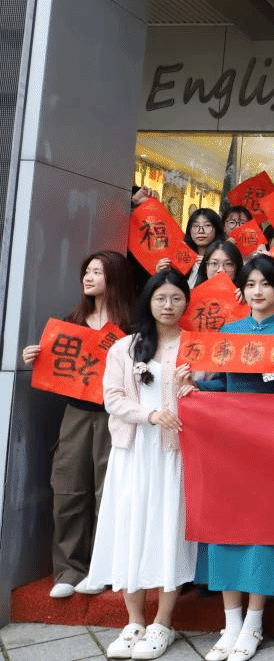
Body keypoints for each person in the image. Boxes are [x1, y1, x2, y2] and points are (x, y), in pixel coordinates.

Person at [81, 269, 198, 660]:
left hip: (173, 453)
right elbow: (112, 399)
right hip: (132, 452)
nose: (168, 305)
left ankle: (163, 623)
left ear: (186, 302)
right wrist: (149, 415)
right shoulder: (125, 348)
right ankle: (133, 621)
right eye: (161, 298)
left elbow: (208, 396)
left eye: (176, 298)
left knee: (169, 531)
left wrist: (190, 389)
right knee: (129, 528)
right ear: (148, 302)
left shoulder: (194, 346)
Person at [189, 256, 274, 661]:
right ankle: (230, 620)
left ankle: (254, 622)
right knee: (225, 526)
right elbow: (221, 383)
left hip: (272, 444)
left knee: (263, 531)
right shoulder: (230, 331)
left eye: (265, 284)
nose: (257, 291)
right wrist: (194, 387)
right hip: (230, 443)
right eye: (251, 284)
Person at [22, 250, 132, 599]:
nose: (89, 277)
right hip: (76, 413)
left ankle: (104, 568)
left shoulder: (130, 326)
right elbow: (56, 363)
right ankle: (69, 570)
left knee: (108, 492)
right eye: (87, 271)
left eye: (97, 272)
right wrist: (35, 356)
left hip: (116, 416)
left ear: (114, 278)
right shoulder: (72, 321)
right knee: (68, 488)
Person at [185, 208, 224, 281]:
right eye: (196, 226)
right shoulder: (184, 259)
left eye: (207, 225)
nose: (201, 231)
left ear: (217, 229)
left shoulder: (224, 257)